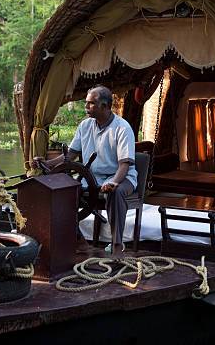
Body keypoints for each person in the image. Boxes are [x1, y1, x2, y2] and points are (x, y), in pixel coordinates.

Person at [33, 86, 137, 253]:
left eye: (91, 104)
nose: (86, 107)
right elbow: (70, 156)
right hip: (92, 178)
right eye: (86, 103)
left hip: (122, 177)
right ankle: (76, 239)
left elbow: (125, 164)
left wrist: (114, 182)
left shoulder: (122, 128)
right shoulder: (85, 126)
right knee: (61, 192)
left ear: (105, 106)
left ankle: (117, 244)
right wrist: (46, 163)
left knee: (115, 193)